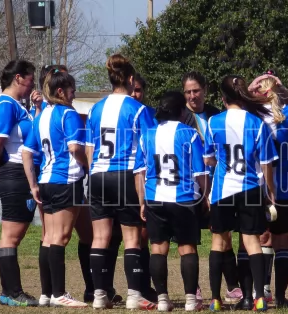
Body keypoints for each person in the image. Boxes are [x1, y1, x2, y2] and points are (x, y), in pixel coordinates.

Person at [85, 54, 156, 310]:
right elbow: (148, 149)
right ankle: (135, 295)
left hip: (98, 175)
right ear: (130, 79)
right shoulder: (138, 109)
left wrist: (94, 175)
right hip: (126, 174)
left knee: (100, 237)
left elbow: (89, 150)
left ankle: (99, 295)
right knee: (132, 238)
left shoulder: (95, 108)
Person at [205, 75, 278, 312]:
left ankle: (215, 300)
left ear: (223, 98)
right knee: (252, 242)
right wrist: (270, 193)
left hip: (222, 190)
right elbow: (266, 163)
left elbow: (209, 158)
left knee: (219, 242)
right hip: (250, 188)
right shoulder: (257, 123)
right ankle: (259, 298)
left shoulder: (213, 122)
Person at [134, 91, 210, 311]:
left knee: (158, 248)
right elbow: (200, 172)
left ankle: (163, 299)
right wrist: (206, 196)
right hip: (184, 198)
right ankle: (189, 300)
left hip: (154, 197)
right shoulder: (190, 134)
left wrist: (142, 202)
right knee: (187, 249)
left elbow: (139, 172)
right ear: (181, 111)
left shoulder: (147, 135)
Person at [27, 64, 95, 306]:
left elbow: (28, 151)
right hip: (66, 180)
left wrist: (33, 183)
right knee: (61, 237)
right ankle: (59, 294)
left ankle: (46, 294)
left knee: (49, 237)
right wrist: (87, 166)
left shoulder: (42, 115)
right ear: (60, 90)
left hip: (46, 180)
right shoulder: (69, 114)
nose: (74, 93)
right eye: (72, 89)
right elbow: (75, 148)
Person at [0, 59, 39, 306]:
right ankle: (12, 292)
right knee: (11, 236)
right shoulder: (5, 105)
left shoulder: (17, 105)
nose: (32, 85)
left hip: (17, 172)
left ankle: (10, 291)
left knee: (12, 234)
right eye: (30, 80)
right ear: (18, 78)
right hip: (14, 174)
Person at [252, 75, 288, 307]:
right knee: (284, 241)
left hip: (260, 186)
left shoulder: (253, 113)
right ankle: (281, 295)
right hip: (286, 188)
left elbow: (239, 98)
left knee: (262, 238)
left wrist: (253, 86)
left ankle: (262, 291)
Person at [181, 72, 240, 303]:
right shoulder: (180, 116)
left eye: (196, 90)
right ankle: (192, 288)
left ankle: (232, 286)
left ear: (205, 89)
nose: (193, 96)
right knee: (189, 239)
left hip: (219, 184)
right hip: (189, 186)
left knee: (222, 235)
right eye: (188, 92)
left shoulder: (217, 114)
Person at [106, 71, 156, 304]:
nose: (135, 93)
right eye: (132, 89)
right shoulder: (121, 112)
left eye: (139, 90)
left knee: (139, 235)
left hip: (131, 178)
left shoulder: (146, 113)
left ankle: (142, 286)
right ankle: (107, 288)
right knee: (115, 236)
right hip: (121, 176)